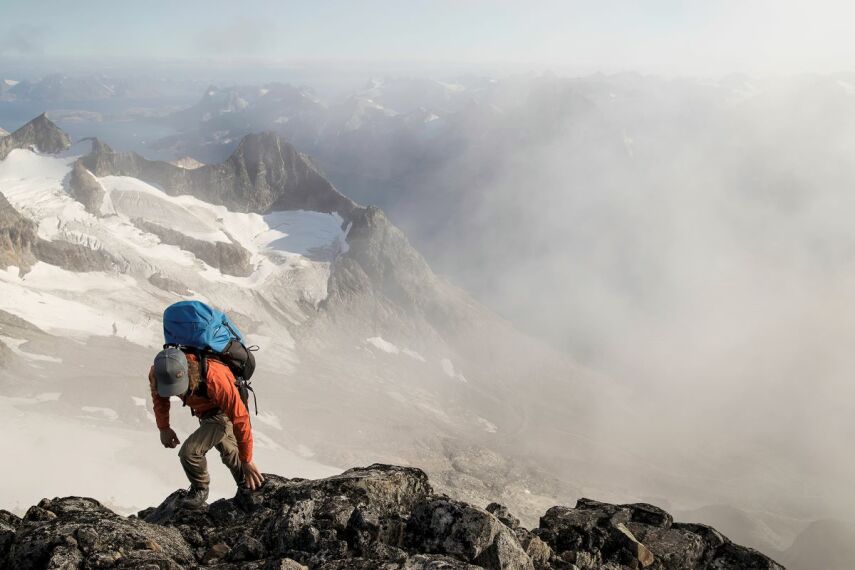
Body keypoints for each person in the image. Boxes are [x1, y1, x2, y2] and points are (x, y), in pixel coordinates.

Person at [149, 346, 264, 508]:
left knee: (190, 453)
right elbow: (159, 398)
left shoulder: (214, 378)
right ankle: (250, 487)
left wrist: (248, 460)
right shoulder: (158, 374)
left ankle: (200, 489)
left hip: (223, 412)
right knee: (230, 453)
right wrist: (164, 428)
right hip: (205, 413)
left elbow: (240, 419)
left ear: (188, 371)